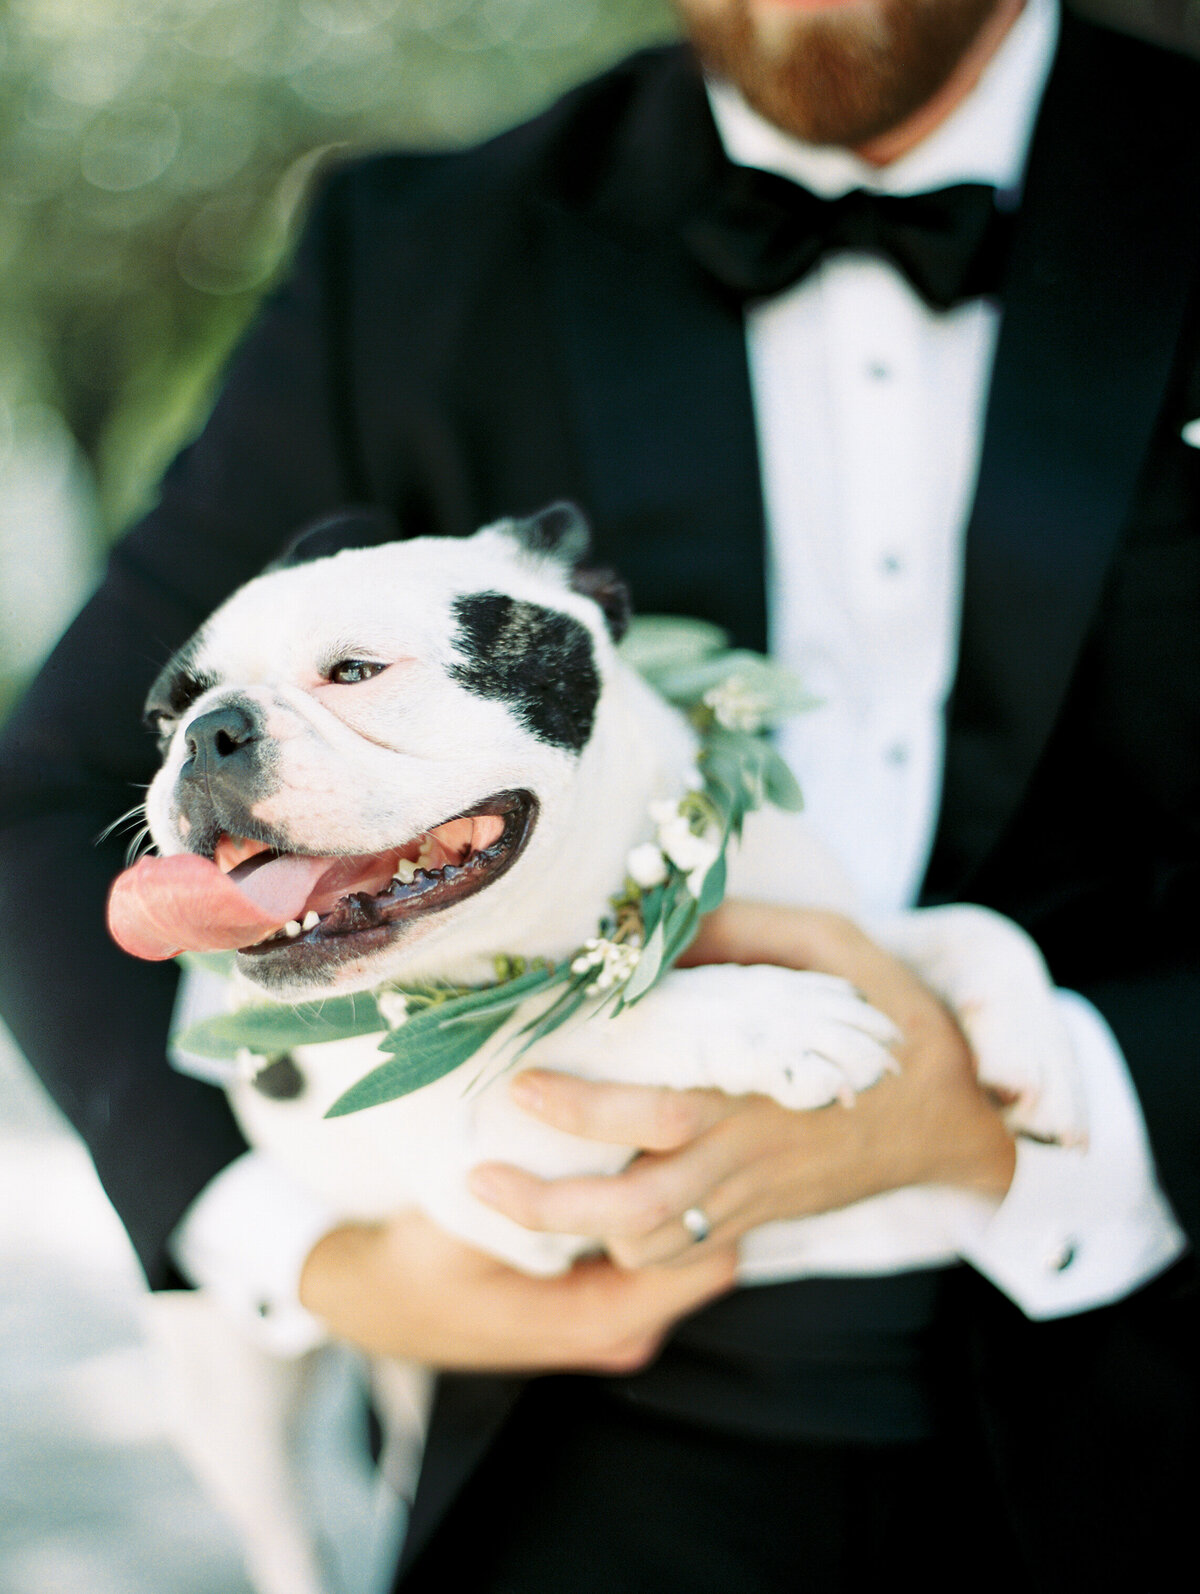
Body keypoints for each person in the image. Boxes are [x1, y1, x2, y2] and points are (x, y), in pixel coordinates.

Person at [1, 0, 1197, 1587]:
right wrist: (310, 1257)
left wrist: (1073, 1102)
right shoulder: (415, 251)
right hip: (564, 1449)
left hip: (1155, 1377)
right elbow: (48, 795)